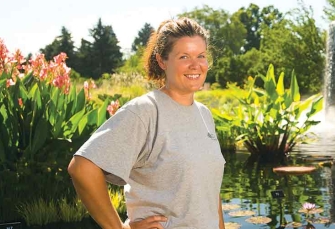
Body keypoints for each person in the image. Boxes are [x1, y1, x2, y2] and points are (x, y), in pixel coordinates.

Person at [67, 17, 226, 229]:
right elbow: (82, 168)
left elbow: (209, 192)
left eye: (201, 55)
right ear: (162, 61)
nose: (195, 65)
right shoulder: (145, 111)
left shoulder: (204, 114)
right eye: (184, 56)